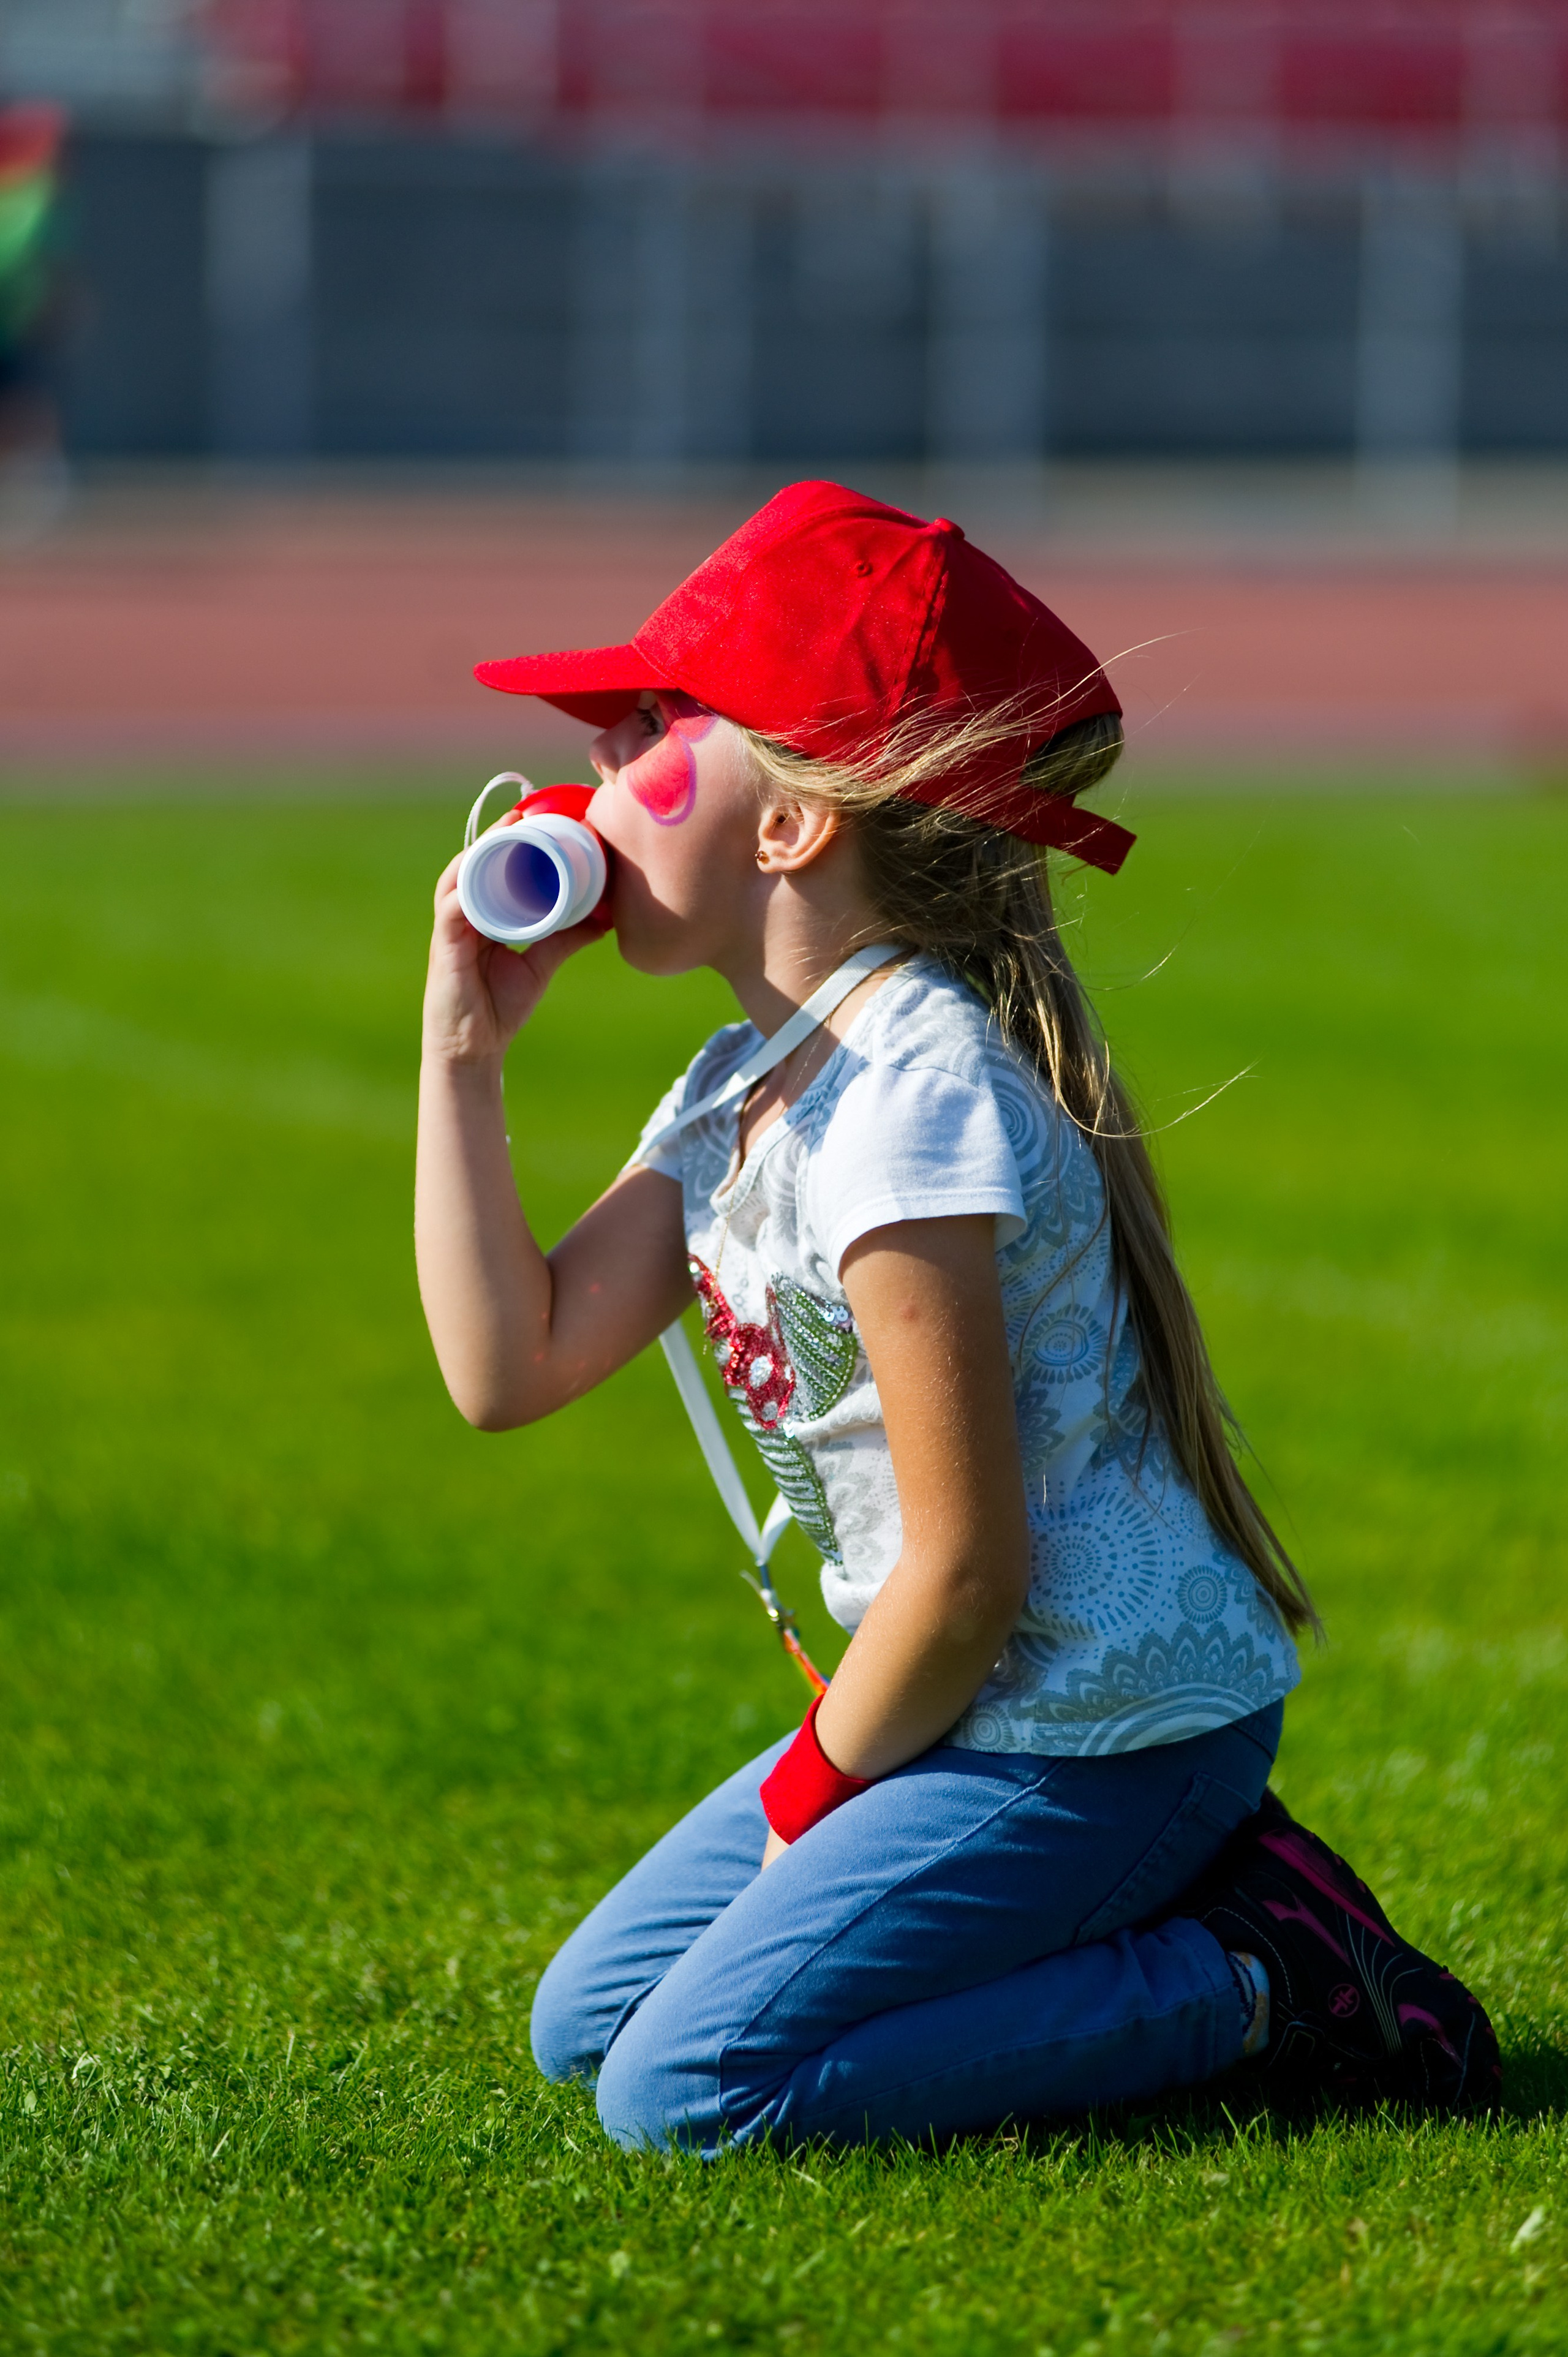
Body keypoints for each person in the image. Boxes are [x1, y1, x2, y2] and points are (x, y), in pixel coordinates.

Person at [415, 481, 1499, 2153]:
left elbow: (969, 1569)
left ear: (788, 825)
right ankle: (1125, 1928)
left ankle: (1259, 1972)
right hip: (961, 1705)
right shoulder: (737, 1091)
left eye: (651, 729)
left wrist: (809, 1804)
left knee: (685, 2088)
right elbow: (509, 1366)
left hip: (1098, 1728)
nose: (596, 776)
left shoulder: (911, 1099)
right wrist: (463, 1052)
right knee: (590, 2025)